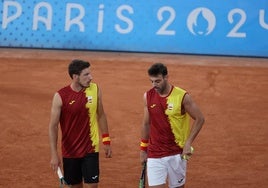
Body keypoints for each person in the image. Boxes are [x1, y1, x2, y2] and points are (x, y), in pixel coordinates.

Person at [139, 63, 205, 188]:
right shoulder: (148, 96)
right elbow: (146, 124)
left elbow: (200, 119)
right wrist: (143, 149)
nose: (154, 85)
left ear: (166, 77)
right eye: (152, 81)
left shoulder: (182, 97)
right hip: (155, 153)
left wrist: (188, 142)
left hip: (176, 153)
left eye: (157, 81)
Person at [49, 59, 112, 188]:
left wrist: (106, 141)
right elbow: (53, 127)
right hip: (70, 151)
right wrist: (54, 154)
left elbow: (101, 114)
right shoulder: (61, 96)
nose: (91, 77)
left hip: (91, 148)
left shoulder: (95, 89)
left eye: (90, 74)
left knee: (92, 185)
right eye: (86, 75)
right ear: (75, 77)